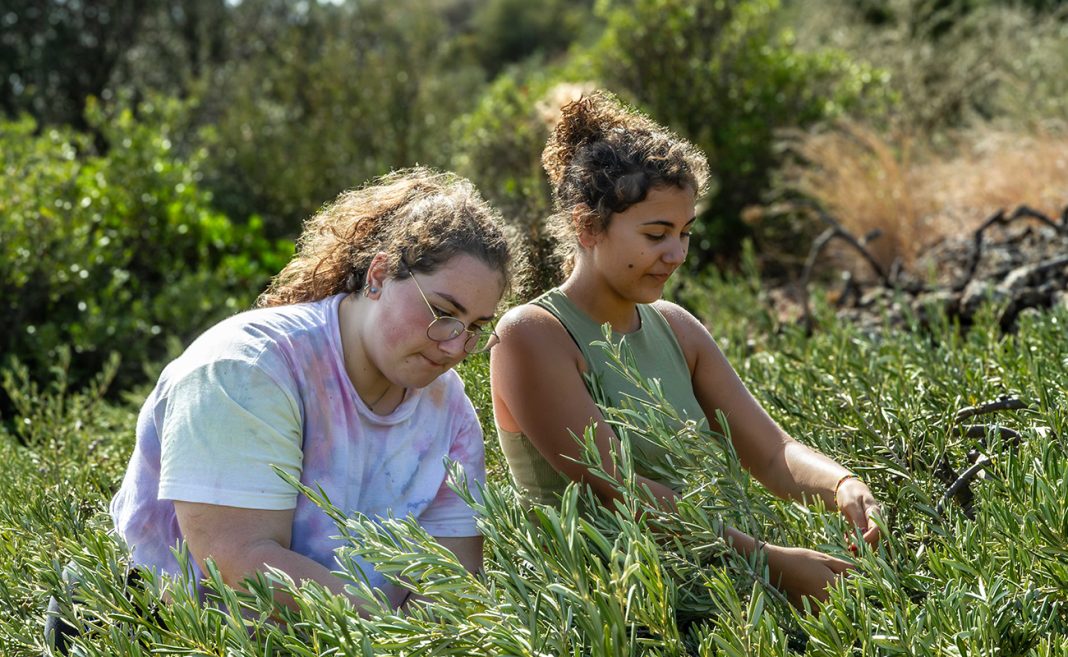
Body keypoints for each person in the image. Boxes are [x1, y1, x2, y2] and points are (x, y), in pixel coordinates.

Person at [489, 92, 881, 608]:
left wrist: (844, 486)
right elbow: (623, 493)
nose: (676, 254)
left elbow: (770, 451)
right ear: (587, 227)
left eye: (684, 233)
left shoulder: (677, 327)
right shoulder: (531, 335)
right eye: (656, 234)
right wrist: (768, 561)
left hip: (722, 586)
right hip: (607, 611)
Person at [100, 169, 509, 618]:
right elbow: (239, 558)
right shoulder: (246, 368)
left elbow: (451, 581)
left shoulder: (450, 411)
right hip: (155, 632)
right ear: (378, 275)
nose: (454, 345)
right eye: (442, 311)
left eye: (473, 328)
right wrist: (389, 641)